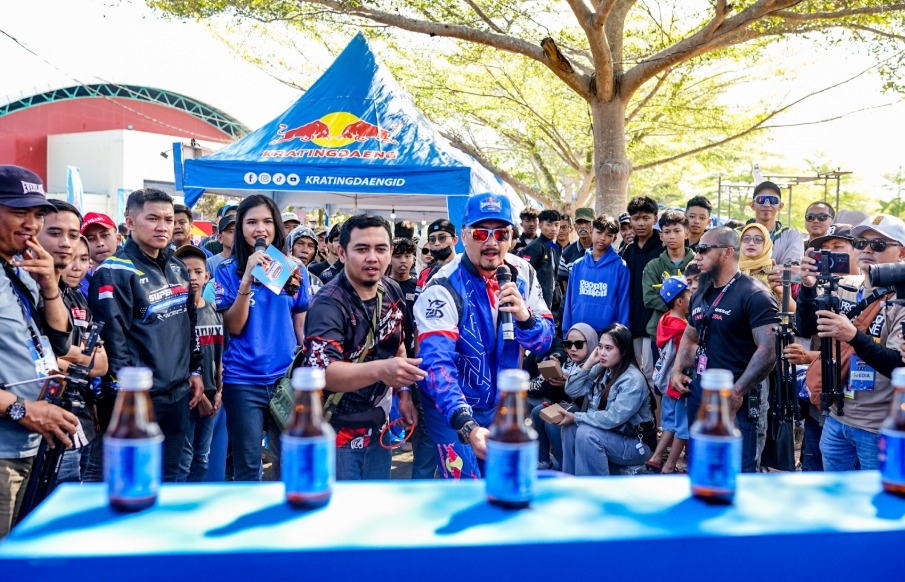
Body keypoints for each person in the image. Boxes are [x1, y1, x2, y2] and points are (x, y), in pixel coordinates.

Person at [414, 193, 554, 479]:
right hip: (451, 407)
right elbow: (437, 364)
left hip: (501, 404)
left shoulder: (524, 273)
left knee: (503, 482)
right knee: (467, 484)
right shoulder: (442, 286)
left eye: (501, 233)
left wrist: (525, 318)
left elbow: (544, 341)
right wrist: (465, 423)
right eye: (481, 233)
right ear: (464, 236)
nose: (492, 242)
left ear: (511, 237)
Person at [89, 188, 204, 482]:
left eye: (168, 219)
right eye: (152, 218)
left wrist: (195, 369)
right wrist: (130, 395)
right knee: (133, 483)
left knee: (170, 481)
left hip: (178, 395)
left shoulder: (178, 266)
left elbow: (189, 323)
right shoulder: (113, 271)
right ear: (130, 221)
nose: (163, 227)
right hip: (137, 399)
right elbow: (112, 341)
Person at [303, 214, 418, 480]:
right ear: (342, 252)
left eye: (381, 249)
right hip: (335, 432)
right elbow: (324, 373)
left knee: (376, 502)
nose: (372, 258)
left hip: (379, 428)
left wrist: (404, 394)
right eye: (362, 249)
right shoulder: (328, 304)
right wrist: (381, 370)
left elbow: (397, 343)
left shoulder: (391, 290)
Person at [0, 165, 76, 536]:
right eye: (19, 212)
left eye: (38, 213)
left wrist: (49, 285)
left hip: (31, 446)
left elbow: (60, 342)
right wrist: (23, 410)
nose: (31, 224)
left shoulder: (22, 267)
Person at [796, 214, 905, 471]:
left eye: (878, 245)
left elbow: (897, 366)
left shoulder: (901, 299)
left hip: (879, 427)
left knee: (875, 494)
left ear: (901, 254)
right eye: (860, 243)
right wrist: (808, 287)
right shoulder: (846, 286)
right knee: (836, 492)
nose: (866, 250)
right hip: (837, 417)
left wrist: (853, 336)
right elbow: (807, 327)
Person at [213, 195, 308, 481]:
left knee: (289, 463)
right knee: (247, 466)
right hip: (242, 381)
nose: (260, 229)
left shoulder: (293, 270)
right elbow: (234, 327)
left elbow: (301, 327)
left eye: (267, 221)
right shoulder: (225, 271)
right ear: (240, 228)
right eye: (251, 222)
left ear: (276, 226)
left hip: (285, 380)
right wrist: (246, 280)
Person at [671, 227, 778, 473]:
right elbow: (690, 335)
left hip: (737, 396)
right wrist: (677, 370)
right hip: (701, 392)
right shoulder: (700, 293)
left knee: (737, 471)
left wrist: (738, 391)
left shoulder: (754, 294)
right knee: (702, 466)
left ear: (727, 252)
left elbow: (769, 349)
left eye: (703, 249)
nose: (697, 255)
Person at [38, 201, 108, 484]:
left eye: (83, 258)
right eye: (55, 233)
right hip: (41, 425)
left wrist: (67, 358)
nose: (75, 264)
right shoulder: (29, 291)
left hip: (81, 419)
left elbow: (101, 364)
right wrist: (77, 359)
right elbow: (40, 363)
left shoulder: (78, 297)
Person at [785, 223, 859, 472]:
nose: (830, 256)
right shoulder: (822, 288)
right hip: (822, 400)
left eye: (838, 248)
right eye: (824, 251)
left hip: (862, 408)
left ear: (858, 250)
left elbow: (862, 348)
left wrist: (809, 356)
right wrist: (807, 285)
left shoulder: (869, 290)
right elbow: (805, 328)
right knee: (814, 469)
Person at [558, 323, 653, 476]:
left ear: (623, 351)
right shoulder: (601, 369)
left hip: (635, 444)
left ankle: (594, 488)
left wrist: (576, 417)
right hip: (610, 435)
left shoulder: (632, 380)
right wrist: (589, 362)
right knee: (570, 428)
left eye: (608, 348)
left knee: (586, 433)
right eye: (600, 347)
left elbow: (613, 418)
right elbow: (572, 389)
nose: (602, 353)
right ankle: (570, 480)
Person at [175, 245, 223, 482]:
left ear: (207, 276)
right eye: (186, 272)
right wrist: (200, 396)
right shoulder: (175, 314)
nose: (192, 277)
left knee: (202, 459)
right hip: (187, 396)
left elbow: (220, 355)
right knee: (183, 461)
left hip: (212, 395)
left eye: (198, 272)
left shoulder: (215, 311)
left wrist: (220, 391)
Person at [530, 323, 598, 470]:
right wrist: (556, 380)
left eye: (578, 344)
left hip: (586, 415)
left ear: (591, 343)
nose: (572, 349)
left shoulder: (596, 366)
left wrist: (568, 384)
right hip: (569, 407)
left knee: (553, 419)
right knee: (537, 412)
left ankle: (565, 467)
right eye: (568, 344)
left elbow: (589, 400)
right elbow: (556, 399)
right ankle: (543, 461)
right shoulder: (568, 363)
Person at [648, 276, 691, 474]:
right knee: (683, 427)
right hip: (679, 384)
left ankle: (656, 458)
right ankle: (669, 466)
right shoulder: (683, 329)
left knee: (669, 424)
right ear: (680, 301)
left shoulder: (664, 320)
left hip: (664, 382)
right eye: (690, 295)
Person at [621, 196, 665, 384]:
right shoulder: (628, 250)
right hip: (632, 320)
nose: (640, 223)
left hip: (654, 321)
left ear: (655, 219)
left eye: (646, 218)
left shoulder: (663, 248)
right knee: (632, 372)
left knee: (651, 373)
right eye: (636, 219)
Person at [562, 214, 629, 334]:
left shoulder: (620, 267)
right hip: (578, 332)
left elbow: (623, 303)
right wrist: (566, 331)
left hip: (607, 334)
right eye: (599, 232)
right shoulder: (578, 265)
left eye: (609, 235)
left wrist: (621, 335)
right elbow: (569, 301)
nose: (603, 238)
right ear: (591, 231)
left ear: (614, 239)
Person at [641, 210, 695, 345]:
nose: (672, 236)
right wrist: (681, 306)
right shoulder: (653, 266)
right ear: (661, 236)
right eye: (667, 232)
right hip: (660, 334)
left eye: (677, 231)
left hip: (692, 331)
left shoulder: (698, 263)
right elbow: (649, 298)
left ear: (687, 233)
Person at [747, 181, 803, 265]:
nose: (767, 204)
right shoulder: (737, 234)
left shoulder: (791, 235)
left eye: (773, 200)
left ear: (780, 206)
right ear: (752, 205)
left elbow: (793, 268)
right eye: (761, 200)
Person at [520, 209, 562, 312]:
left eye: (556, 225)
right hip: (536, 305)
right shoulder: (534, 247)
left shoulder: (554, 246)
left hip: (552, 304)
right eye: (549, 225)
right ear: (540, 226)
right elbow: (523, 274)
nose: (553, 229)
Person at [80, 211, 119, 298]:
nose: (100, 243)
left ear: (118, 239)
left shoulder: (136, 275)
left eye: (105, 235)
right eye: (91, 238)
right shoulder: (79, 284)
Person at [416, 218, 459, 293]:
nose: (437, 243)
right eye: (432, 239)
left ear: (454, 240)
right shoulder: (425, 274)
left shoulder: (465, 269)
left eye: (442, 238)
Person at [557, 207, 594, 289]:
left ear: (595, 225)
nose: (583, 226)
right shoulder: (567, 253)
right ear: (575, 226)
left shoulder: (602, 250)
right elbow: (566, 287)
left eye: (587, 222)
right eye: (579, 223)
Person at [287, 225, 324, 296]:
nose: (305, 250)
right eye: (300, 243)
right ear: (289, 245)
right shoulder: (275, 275)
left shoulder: (316, 283)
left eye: (310, 246)